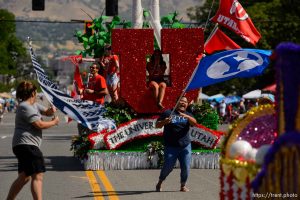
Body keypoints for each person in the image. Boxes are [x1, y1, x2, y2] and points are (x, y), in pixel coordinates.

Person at [7, 81, 59, 200]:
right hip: (27, 145)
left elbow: (46, 112)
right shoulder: (25, 106)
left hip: (23, 145)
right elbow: (39, 124)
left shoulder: (34, 105)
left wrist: (51, 110)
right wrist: (54, 122)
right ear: (32, 93)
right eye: (35, 91)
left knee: (24, 177)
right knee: (38, 175)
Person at [155, 96, 197, 192]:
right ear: (176, 102)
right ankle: (160, 182)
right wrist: (165, 121)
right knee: (168, 167)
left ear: (187, 104)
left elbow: (194, 123)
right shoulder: (168, 113)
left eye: (185, 102)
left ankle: (183, 185)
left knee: (186, 166)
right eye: (181, 101)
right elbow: (157, 125)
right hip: (171, 146)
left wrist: (188, 117)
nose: (183, 103)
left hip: (185, 146)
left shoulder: (188, 114)